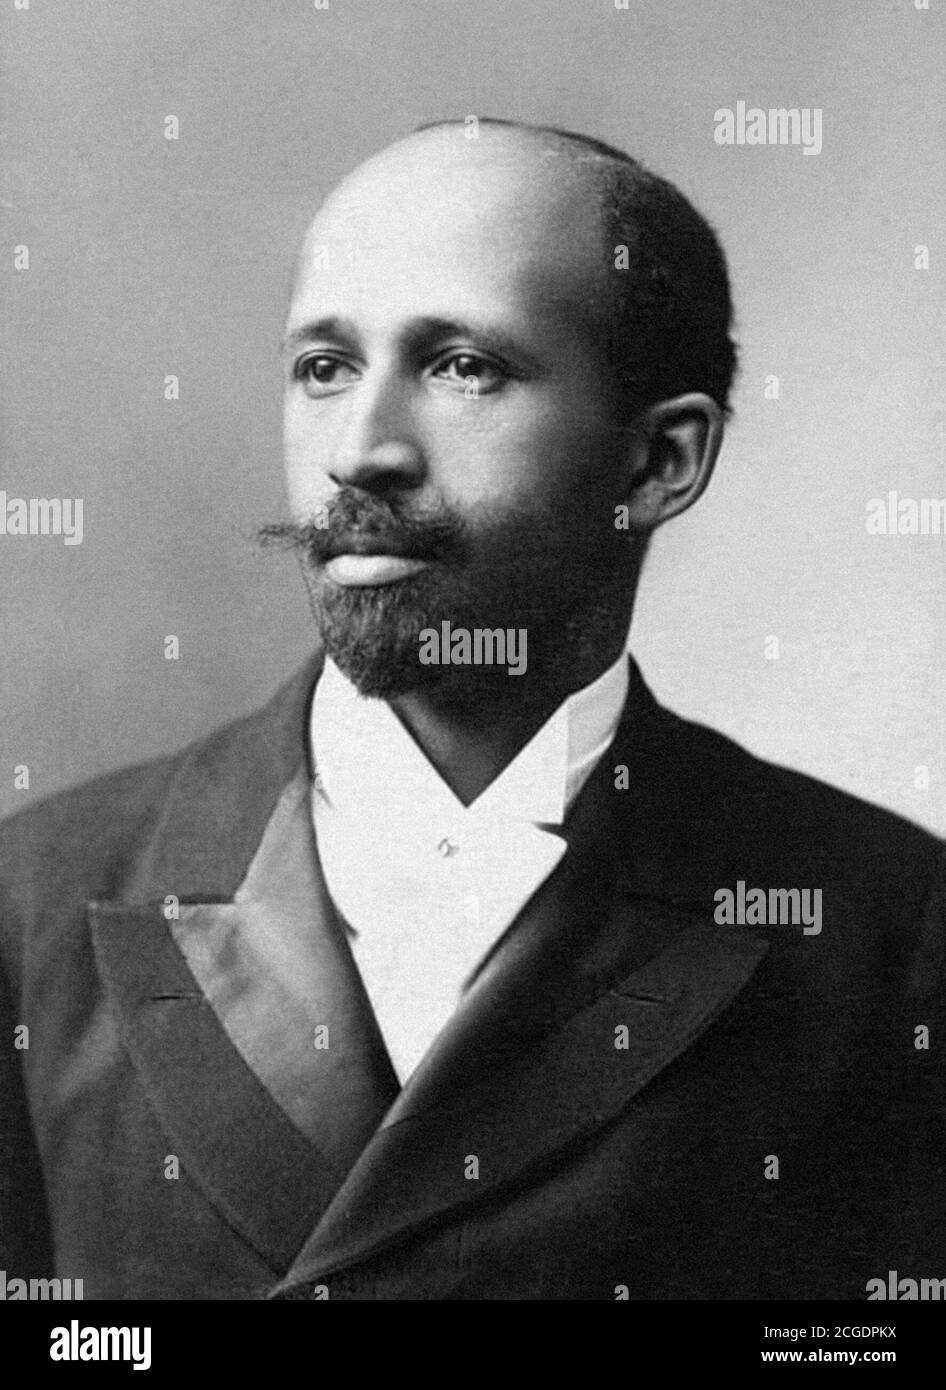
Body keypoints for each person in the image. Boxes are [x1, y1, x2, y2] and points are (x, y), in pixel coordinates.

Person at [1, 120, 942, 1301]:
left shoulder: (887, 932)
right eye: (324, 368)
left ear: (659, 463)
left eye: (462, 367)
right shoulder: (34, 902)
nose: (359, 451)